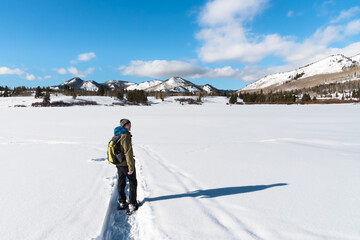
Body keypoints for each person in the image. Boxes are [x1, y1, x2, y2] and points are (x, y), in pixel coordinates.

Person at [113, 118, 138, 211]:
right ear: (124, 126)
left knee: (121, 181)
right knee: (133, 182)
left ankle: (122, 202)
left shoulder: (117, 134)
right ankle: (132, 203)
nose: (130, 126)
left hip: (119, 163)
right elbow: (128, 152)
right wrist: (131, 167)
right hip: (125, 163)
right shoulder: (125, 135)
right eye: (129, 125)